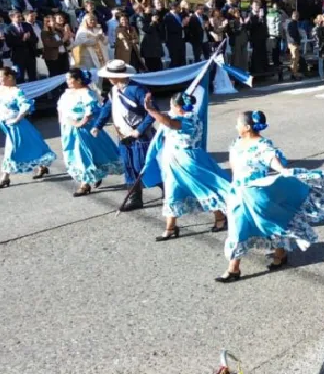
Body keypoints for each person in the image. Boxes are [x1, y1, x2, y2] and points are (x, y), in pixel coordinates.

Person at [216, 111, 324, 282]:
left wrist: (282, 171)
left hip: (257, 193)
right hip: (237, 194)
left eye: (238, 124)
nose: (236, 126)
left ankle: (280, 254)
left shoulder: (262, 145)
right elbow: (234, 168)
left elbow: (272, 158)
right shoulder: (237, 143)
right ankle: (233, 269)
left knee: (269, 225)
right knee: (237, 229)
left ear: (246, 127)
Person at [142, 91, 231, 241]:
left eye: (171, 105)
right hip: (175, 162)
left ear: (180, 108)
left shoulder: (189, 120)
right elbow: (166, 122)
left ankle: (221, 217)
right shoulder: (179, 116)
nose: (169, 108)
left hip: (189, 161)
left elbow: (170, 123)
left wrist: (151, 111)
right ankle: (170, 227)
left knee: (206, 189)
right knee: (172, 192)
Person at [94, 60, 155, 211]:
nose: (108, 78)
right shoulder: (113, 91)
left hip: (140, 136)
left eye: (110, 75)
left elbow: (153, 113)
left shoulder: (137, 90)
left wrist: (139, 130)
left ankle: (167, 189)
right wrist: (98, 125)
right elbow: (107, 109)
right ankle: (135, 198)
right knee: (128, 166)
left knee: (143, 166)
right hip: (123, 136)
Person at [56, 68, 125, 197]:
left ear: (78, 80)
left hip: (83, 129)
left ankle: (84, 184)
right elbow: (61, 107)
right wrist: (62, 121)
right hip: (69, 128)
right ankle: (94, 175)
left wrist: (81, 122)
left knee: (83, 154)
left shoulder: (87, 93)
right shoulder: (67, 93)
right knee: (76, 154)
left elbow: (91, 109)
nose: (68, 82)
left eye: (70, 79)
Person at [0, 66, 56, 188]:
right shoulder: (0, 89)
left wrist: (17, 118)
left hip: (17, 125)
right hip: (6, 124)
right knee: (30, 145)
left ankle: (5, 177)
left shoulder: (16, 91)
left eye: (0, 76)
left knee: (11, 150)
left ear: (9, 77)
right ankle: (42, 166)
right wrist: (1, 112)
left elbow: (26, 106)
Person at [5, 10, 37, 82]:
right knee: (18, 77)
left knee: (33, 76)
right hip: (17, 57)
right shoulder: (8, 29)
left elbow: (35, 39)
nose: (20, 18)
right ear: (11, 17)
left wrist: (29, 38)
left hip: (30, 55)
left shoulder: (27, 25)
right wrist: (22, 39)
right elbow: (9, 43)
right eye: (18, 17)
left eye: (21, 16)